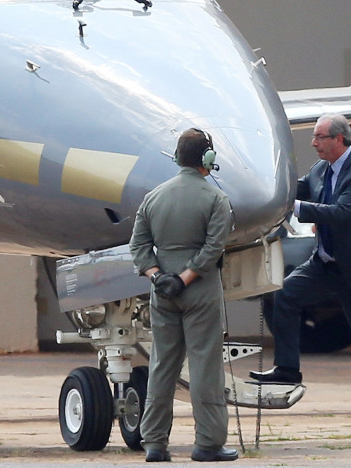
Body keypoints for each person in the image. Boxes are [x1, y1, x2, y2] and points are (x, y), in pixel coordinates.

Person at [249, 113, 351, 442]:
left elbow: (340, 213)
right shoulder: (321, 169)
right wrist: (263, 184)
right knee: (284, 294)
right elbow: (295, 189)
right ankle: (288, 368)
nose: (314, 142)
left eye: (320, 137)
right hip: (326, 264)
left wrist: (294, 207)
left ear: (340, 139)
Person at [129, 128, 237, 462]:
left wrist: (159, 277)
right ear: (208, 159)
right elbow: (213, 247)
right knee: (205, 365)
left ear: (176, 157)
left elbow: (138, 246)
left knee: (162, 365)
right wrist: (185, 278)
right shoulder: (215, 199)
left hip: (162, 290)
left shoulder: (154, 197)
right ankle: (208, 443)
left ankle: (155, 443)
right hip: (199, 288)